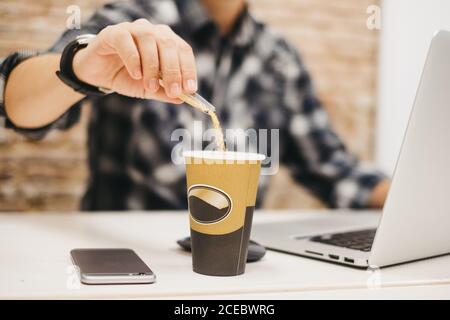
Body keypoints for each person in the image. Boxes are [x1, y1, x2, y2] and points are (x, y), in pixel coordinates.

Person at [0, 0, 389, 211]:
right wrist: (81, 65)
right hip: (133, 270)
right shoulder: (134, 24)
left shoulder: (280, 60)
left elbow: (339, 176)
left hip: (239, 282)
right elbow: (15, 106)